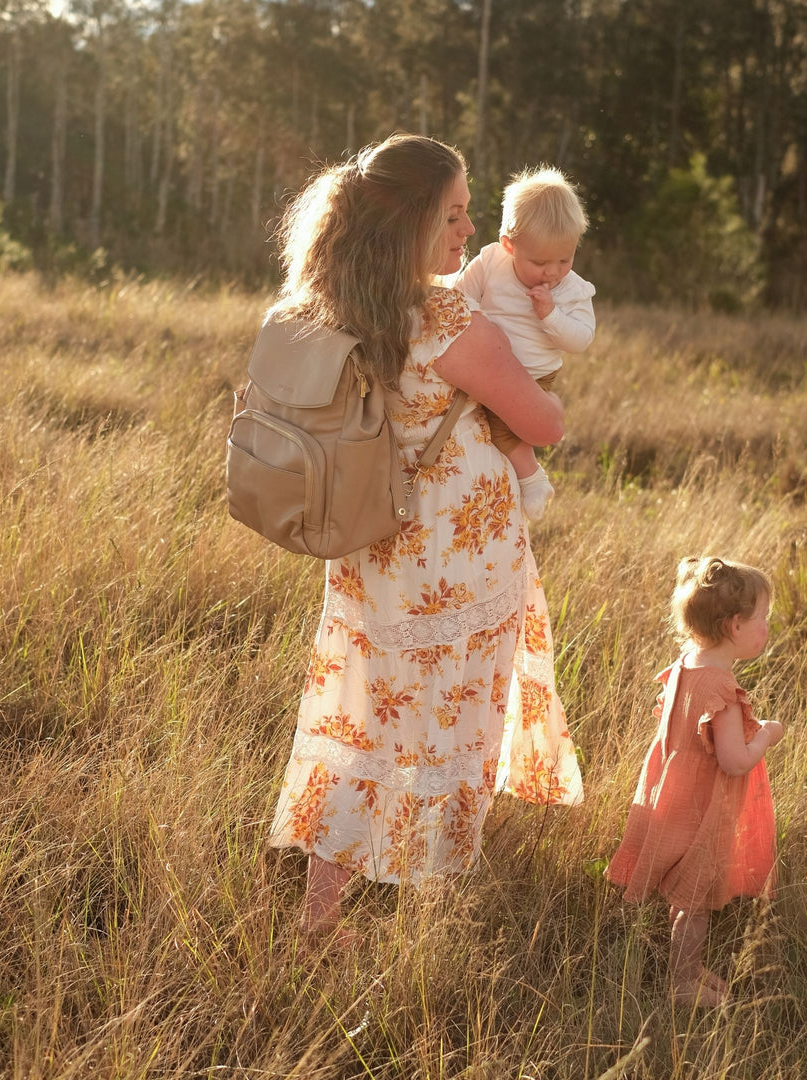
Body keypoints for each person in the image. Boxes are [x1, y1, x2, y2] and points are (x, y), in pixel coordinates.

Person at [265, 134, 583, 940]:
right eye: (451, 213)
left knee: (363, 713)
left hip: (370, 544)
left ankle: (321, 909)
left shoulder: (332, 302)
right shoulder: (443, 315)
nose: (466, 230)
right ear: (409, 221)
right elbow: (542, 421)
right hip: (459, 553)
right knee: (454, 711)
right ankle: (432, 903)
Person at [605, 556, 784, 1006]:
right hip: (702, 807)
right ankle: (682, 982)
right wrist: (765, 734)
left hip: (672, 790)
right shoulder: (721, 689)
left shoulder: (688, 664)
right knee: (695, 896)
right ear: (735, 627)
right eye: (763, 618)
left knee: (685, 888)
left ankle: (687, 968)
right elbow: (734, 760)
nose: (768, 626)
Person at [452, 166, 595, 521]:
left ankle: (533, 478)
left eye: (565, 259)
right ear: (508, 245)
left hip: (532, 375)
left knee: (501, 429)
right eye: (540, 261)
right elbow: (459, 296)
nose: (553, 271)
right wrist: (475, 322)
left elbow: (581, 339)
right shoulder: (490, 263)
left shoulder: (571, 290)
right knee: (476, 424)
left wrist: (551, 316)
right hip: (486, 366)